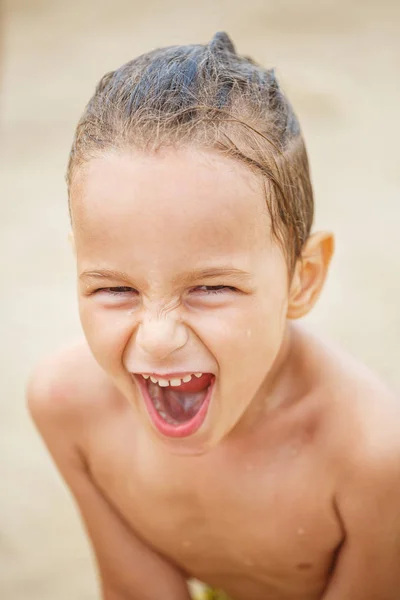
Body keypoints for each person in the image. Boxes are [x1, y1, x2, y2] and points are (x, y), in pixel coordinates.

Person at [27, 32, 400, 600]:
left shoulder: (370, 457)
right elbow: (134, 590)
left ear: (303, 280)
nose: (158, 337)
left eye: (211, 286)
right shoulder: (68, 407)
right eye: (115, 288)